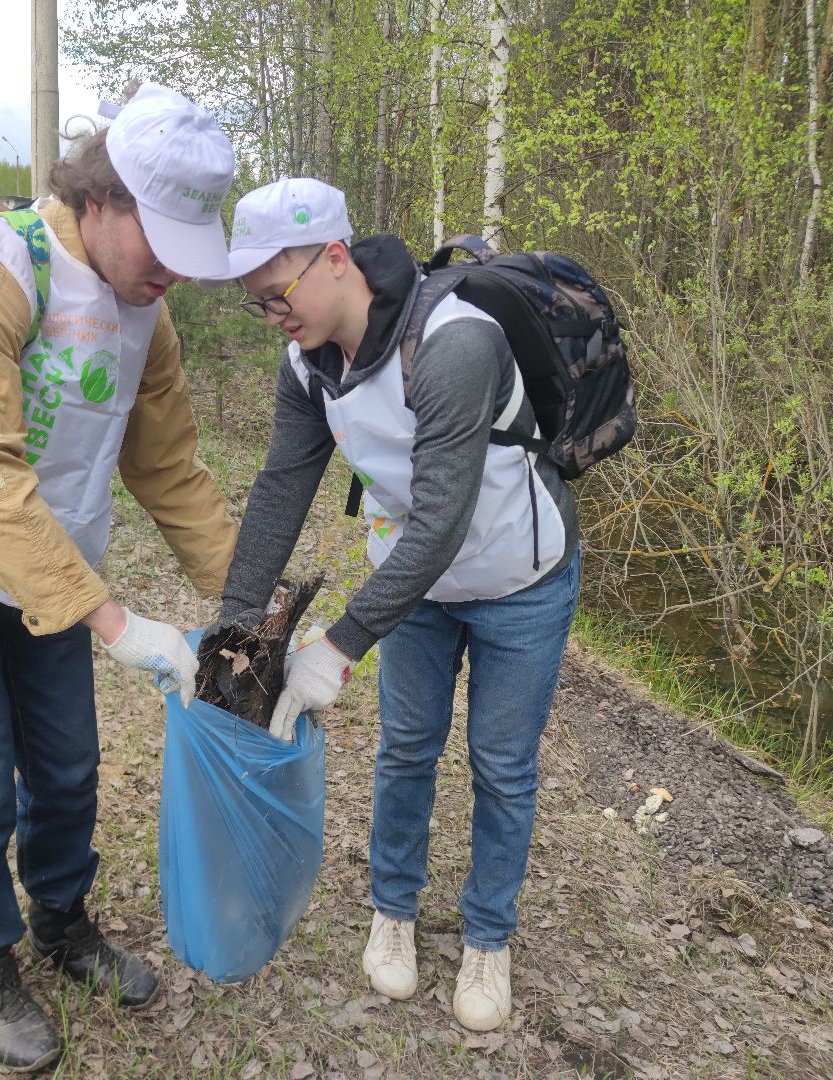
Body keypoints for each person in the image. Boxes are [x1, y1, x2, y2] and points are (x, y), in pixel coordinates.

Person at [0, 84, 239, 1072]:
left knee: (66, 768)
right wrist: (119, 625)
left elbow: (168, 469)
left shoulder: (149, 313)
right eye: (164, 247)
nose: (173, 278)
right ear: (103, 199)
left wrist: (253, 602)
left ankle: (62, 924)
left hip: (49, 565)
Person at [214, 178, 580, 1033]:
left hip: (519, 579)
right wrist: (234, 624)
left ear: (334, 259)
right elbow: (280, 487)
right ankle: (395, 911)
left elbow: (444, 519)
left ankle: (489, 936)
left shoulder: (454, 343)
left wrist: (337, 646)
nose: (273, 316)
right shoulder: (306, 361)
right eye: (257, 304)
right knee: (408, 747)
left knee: (501, 763)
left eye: (278, 295)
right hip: (413, 584)